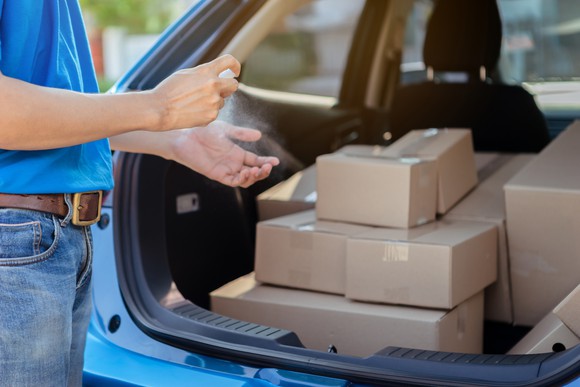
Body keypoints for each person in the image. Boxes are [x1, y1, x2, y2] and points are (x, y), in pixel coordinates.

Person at [0, 1, 280, 385]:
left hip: (53, 243)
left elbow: (59, 112)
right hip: (16, 242)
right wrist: (157, 108)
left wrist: (173, 138)